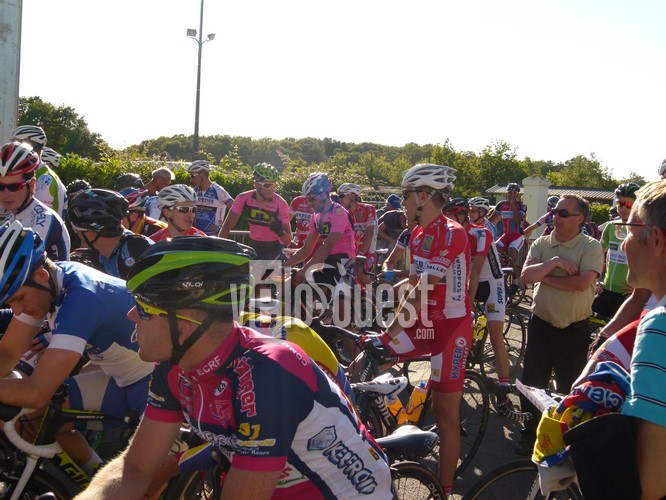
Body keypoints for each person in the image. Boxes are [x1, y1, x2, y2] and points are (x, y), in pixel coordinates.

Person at [76, 236, 392, 499]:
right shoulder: (173, 367)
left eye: (143, 309)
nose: (131, 316)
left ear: (183, 326)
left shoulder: (268, 374)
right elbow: (135, 469)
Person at [0, 220, 154, 477]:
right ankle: (92, 480)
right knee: (38, 418)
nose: (16, 310)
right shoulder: (47, 285)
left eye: (18, 299)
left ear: (40, 275)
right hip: (120, 378)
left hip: (156, 383)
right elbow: (7, 354)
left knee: (144, 480)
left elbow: (36, 392)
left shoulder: (81, 299)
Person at [367, 164, 472, 494]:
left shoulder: (452, 233)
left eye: (406, 195)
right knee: (367, 363)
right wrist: (389, 306)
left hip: (450, 330)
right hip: (422, 322)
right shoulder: (416, 233)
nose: (402, 203)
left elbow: (424, 289)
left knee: (444, 415)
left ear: (424, 195)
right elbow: (413, 286)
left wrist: (389, 333)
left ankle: (444, 490)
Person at [515, 194, 603, 455]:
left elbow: (582, 283)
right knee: (532, 384)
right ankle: (529, 434)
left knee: (569, 387)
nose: (556, 216)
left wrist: (544, 277)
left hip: (574, 330)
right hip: (541, 325)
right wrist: (553, 263)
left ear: (580, 219)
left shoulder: (590, 246)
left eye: (563, 213)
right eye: (554, 211)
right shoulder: (542, 243)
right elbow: (525, 277)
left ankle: (562, 440)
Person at [617, 179, 666, 499]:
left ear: (657, 240)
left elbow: (648, 485)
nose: (623, 245)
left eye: (629, 232)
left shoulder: (659, 327)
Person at [442, 199, 511, 390]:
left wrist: (467, 303)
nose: (446, 222)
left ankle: (504, 389)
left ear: (461, 217)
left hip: (491, 284)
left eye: (449, 218)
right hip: (469, 282)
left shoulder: (481, 233)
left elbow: (476, 271)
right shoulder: (450, 234)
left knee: (496, 337)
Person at [283, 172, 356, 312]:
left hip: (344, 263)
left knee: (342, 316)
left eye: (312, 199)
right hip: (328, 262)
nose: (309, 203)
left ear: (324, 195)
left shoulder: (339, 212)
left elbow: (327, 246)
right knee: (295, 284)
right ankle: (312, 318)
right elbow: (307, 249)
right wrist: (283, 265)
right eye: (308, 199)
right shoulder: (315, 217)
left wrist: (305, 269)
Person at [0, 141, 70, 261]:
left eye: (14, 187)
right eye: (0, 186)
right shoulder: (12, 216)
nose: (6, 194)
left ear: (32, 184)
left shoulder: (44, 220)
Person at [68, 188, 153, 280]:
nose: (77, 234)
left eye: (76, 230)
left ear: (90, 234)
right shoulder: (102, 254)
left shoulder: (137, 252)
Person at [218, 163, 291, 259]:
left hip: (274, 248)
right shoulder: (243, 198)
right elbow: (227, 226)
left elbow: (288, 240)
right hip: (254, 246)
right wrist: (219, 250)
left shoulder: (280, 203)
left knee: (267, 269)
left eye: (274, 185)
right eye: (267, 185)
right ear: (256, 184)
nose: (271, 189)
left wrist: (279, 231)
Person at [592, 183, 641, 320]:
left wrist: (640, 288)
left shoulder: (643, 228)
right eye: (620, 203)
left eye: (629, 204)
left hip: (627, 293)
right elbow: (598, 254)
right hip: (606, 289)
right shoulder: (611, 226)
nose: (624, 208)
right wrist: (596, 280)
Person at [11, 125, 67, 218]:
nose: (12, 150)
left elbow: (36, 218)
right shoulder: (37, 173)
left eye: (15, 146)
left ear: (29, 147)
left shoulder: (45, 179)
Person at [337, 182, 378, 275]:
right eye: (338, 196)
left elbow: (370, 233)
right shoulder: (342, 213)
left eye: (342, 196)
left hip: (367, 254)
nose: (339, 199)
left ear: (352, 195)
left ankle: (368, 285)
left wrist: (360, 254)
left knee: (357, 271)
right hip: (350, 255)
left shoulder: (368, 209)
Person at [490, 183, 527, 279]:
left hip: (517, 236)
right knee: (494, 252)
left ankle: (516, 281)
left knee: (509, 259)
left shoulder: (521, 206)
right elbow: (491, 220)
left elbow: (517, 220)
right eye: (509, 192)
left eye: (514, 193)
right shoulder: (501, 204)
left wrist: (513, 204)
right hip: (505, 235)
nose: (511, 194)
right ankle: (501, 279)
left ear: (517, 194)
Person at [187, 160, 233, 236]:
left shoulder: (218, 190)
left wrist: (223, 227)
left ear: (202, 174)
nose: (191, 180)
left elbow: (234, 208)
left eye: (192, 176)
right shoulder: (194, 191)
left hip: (213, 235)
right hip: (196, 235)